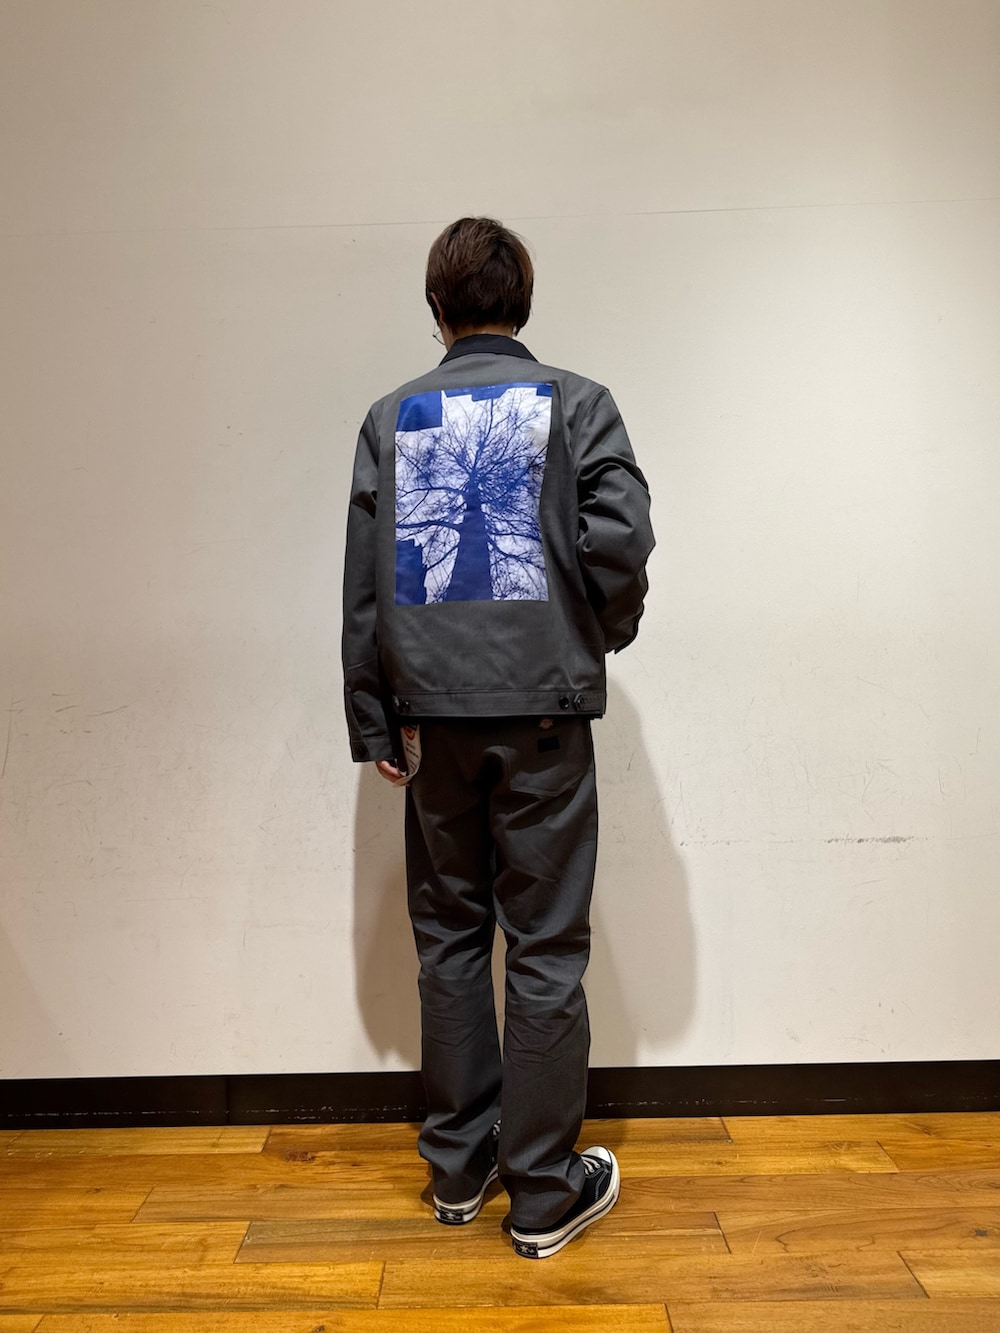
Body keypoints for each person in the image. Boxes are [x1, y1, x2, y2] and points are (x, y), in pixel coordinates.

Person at [342, 216, 654, 1258]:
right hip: (543, 716)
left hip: (430, 719)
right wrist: (590, 632)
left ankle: (457, 1168)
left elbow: (364, 580)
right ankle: (544, 1193)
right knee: (546, 946)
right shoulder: (578, 403)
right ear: (522, 302)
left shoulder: (391, 417)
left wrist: (372, 714)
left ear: (437, 309)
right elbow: (621, 541)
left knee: (449, 940)